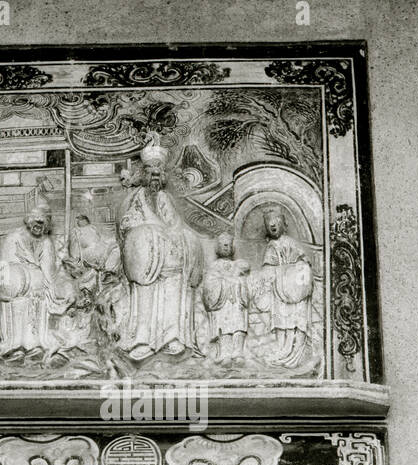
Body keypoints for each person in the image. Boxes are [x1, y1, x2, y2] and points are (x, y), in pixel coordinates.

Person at [116, 136, 203, 362]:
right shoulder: (136, 198)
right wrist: (146, 232)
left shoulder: (165, 197)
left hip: (169, 258)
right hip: (147, 259)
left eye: (158, 170)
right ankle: (142, 340)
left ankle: (171, 338)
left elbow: (176, 224)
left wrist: (176, 237)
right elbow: (126, 224)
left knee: (172, 293)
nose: (155, 173)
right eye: (151, 170)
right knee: (145, 298)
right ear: (144, 174)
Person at [0, 206, 64, 362]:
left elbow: (48, 268)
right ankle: (14, 346)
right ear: (29, 222)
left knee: (38, 305)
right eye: (36, 222)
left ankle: (34, 346)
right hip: (16, 287)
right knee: (18, 305)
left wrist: (50, 287)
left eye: (42, 224)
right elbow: (4, 264)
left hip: (37, 287)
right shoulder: (14, 237)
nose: (39, 227)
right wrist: (16, 280)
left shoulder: (46, 242)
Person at [259, 208, 313, 364]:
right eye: (269, 223)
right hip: (279, 290)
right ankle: (282, 348)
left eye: (276, 221)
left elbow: (304, 263)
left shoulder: (291, 243)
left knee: (295, 319)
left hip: (294, 287)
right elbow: (267, 268)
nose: (272, 225)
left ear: (283, 223)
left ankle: (294, 348)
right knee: (281, 320)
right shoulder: (271, 247)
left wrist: (293, 272)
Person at [201, 233, 249, 365]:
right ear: (217, 247)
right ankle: (225, 353)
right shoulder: (215, 266)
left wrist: (238, 282)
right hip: (222, 301)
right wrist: (226, 282)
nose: (226, 246)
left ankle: (238, 352)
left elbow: (245, 273)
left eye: (228, 243)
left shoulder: (237, 265)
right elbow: (209, 284)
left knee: (239, 326)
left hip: (236, 300)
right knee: (224, 326)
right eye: (223, 244)